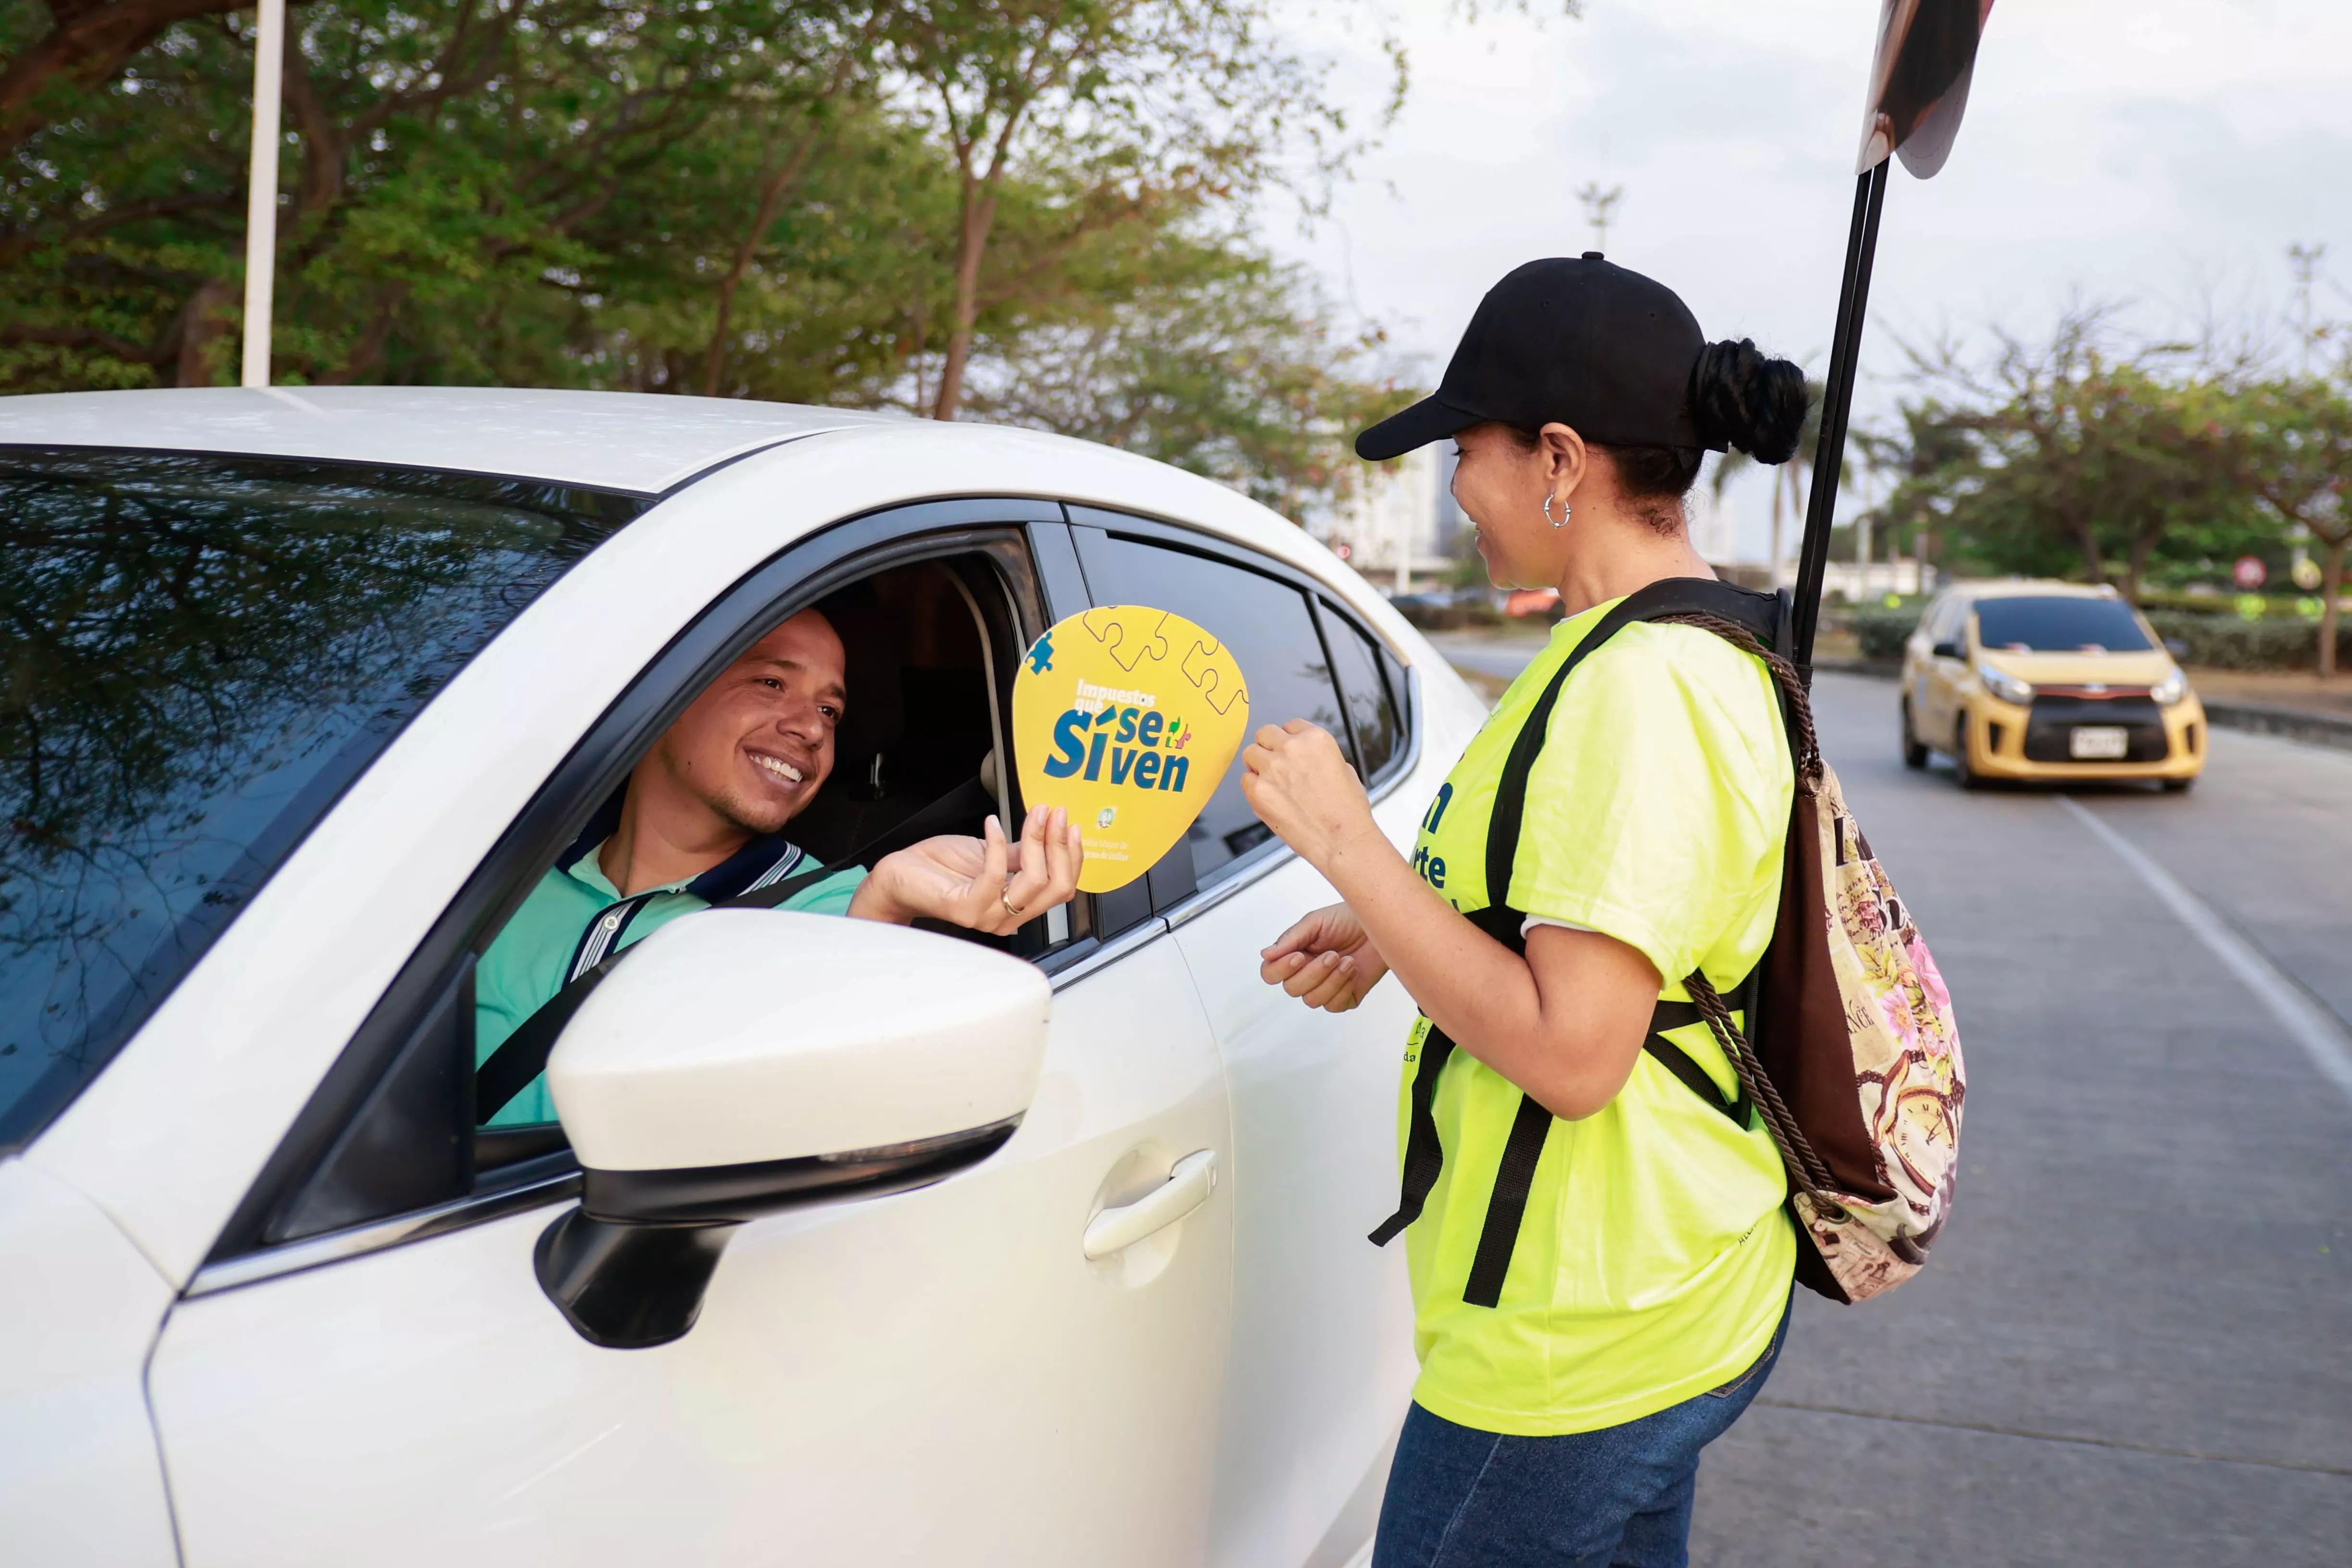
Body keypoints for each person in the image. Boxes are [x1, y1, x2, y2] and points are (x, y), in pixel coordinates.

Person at [1240, 255, 1808, 1567]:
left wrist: (1346, 845)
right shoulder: (1639, 639)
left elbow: (1572, 1052)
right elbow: (1598, 905)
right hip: (1657, 1281)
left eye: (1467, 451)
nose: (1456, 489)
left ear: (1558, 458)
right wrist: (1398, 926)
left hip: (1576, 1335)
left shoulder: (1641, 689)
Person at [477, 606, 1083, 1125]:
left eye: (830, 712)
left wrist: (883, 906)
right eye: (771, 683)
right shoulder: (498, 878)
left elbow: (834, 1107)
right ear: (663, 694)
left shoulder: (837, 914)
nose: (809, 729)